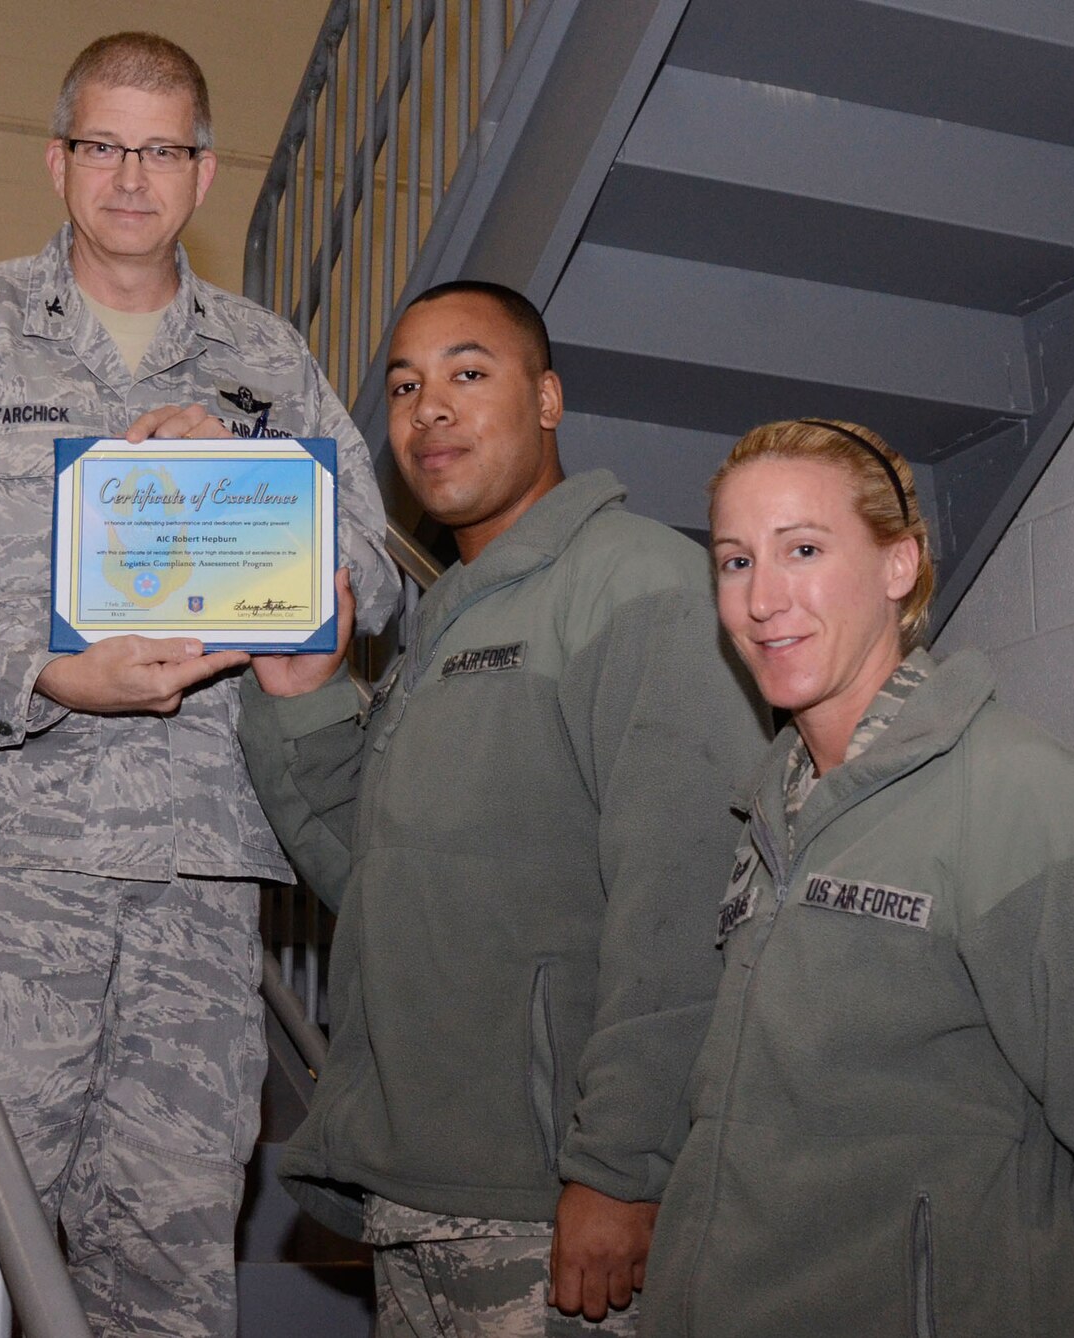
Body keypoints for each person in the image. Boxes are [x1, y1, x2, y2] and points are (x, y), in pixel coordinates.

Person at [0, 32, 400, 1338]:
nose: (132, 177)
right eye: (105, 145)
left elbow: (369, 561)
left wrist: (251, 472)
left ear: (204, 172)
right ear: (59, 160)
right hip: (1, 867)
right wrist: (48, 669)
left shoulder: (267, 358)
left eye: (162, 150)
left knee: (170, 1264)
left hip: (199, 886)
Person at [236, 281, 768, 1337]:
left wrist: (621, 1171)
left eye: (467, 374)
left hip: (553, 1213)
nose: (427, 408)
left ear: (547, 398)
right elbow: (378, 879)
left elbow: (687, 908)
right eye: (403, 385)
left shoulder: (638, 588)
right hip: (424, 1202)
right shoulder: (442, 624)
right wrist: (300, 700)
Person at [640, 419, 1074, 1337]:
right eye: (734, 561)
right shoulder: (772, 814)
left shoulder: (1026, 805)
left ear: (898, 566)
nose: (764, 599)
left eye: (803, 549)